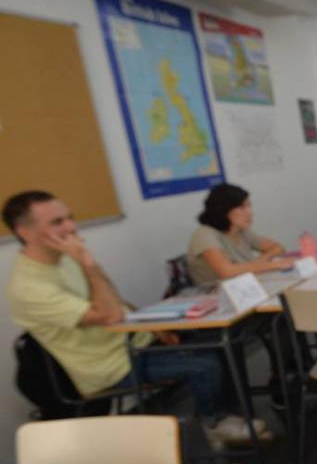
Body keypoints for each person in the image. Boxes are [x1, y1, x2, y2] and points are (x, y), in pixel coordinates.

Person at [5, 191, 264, 448]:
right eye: (57, 223)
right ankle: (216, 423)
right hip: (111, 367)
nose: (71, 227)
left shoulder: (63, 259)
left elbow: (112, 300)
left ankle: (227, 415)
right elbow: (110, 315)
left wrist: (153, 328)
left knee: (218, 341)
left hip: (132, 341)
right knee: (205, 363)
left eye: (69, 218)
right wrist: (87, 263)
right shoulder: (30, 287)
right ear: (25, 232)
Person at [186, 183, 288, 285]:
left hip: (244, 286)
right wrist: (273, 264)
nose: (250, 212)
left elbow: (277, 248)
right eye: (242, 207)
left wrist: (259, 262)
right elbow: (227, 272)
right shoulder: (204, 234)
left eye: (249, 206)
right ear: (224, 210)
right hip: (214, 294)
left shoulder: (240, 230)